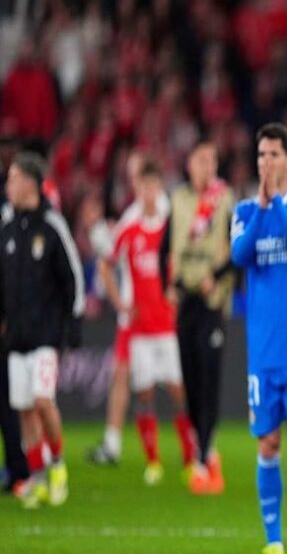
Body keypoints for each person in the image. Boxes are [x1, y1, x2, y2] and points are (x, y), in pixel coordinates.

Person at [231, 123, 287, 554]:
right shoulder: (246, 211)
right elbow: (239, 255)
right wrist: (264, 207)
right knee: (268, 443)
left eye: (272, 155)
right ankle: (272, 541)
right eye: (260, 155)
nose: (265, 162)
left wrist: (277, 206)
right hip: (263, 355)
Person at [100, 160, 196, 485]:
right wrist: (119, 302)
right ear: (137, 190)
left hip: (167, 327)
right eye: (142, 188)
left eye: (153, 187)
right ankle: (153, 462)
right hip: (140, 329)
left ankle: (189, 457)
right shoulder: (128, 229)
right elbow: (104, 265)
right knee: (143, 394)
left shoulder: (170, 226)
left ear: (159, 188)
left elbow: (185, 260)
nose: (148, 193)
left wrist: (178, 292)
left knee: (177, 391)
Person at [0, 152, 84, 508]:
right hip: (15, 337)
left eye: (13, 179)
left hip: (47, 334)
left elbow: (73, 279)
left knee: (42, 400)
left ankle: (58, 465)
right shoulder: (5, 229)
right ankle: (35, 476)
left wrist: (73, 324)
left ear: (31, 184)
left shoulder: (52, 226)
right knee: (24, 410)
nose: (8, 186)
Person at [159, 143, 235, 495]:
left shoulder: (225, 200)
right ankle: (202, 448)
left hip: (212, 300)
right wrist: (168, 285)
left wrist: (217, 276)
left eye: (212, 160)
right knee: (190, 377)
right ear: (189, 164)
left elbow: (239, 247)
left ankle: (204, 455)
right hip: (186, 299)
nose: (207, 167)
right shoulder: (178, 200)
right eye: (201, 160)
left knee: (209, 376)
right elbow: (166, 247)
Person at [87, 151, 170, 465]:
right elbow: (110, 257)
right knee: (124, 375)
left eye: (138, 174)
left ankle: (195, 445)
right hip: (135, 312)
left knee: (165, 382)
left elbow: (110, 255)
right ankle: (114, 443)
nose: (135, 181)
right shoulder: (137, 213)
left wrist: (97, 232)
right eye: (132, 175)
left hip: (154, 312)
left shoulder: (152, 212)